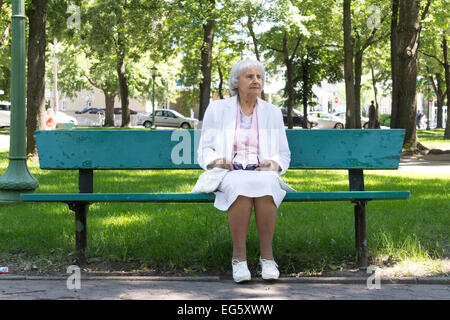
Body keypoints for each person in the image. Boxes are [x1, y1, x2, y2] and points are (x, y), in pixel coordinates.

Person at [197, 59, 291, 283]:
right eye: (249, 77)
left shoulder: (272, 112)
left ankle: (267, 258)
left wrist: (273, 164)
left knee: (268, 183)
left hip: (261, 172)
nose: (256, 80)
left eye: (259, 77)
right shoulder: (218, 109)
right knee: (240, 185)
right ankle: (239, 259)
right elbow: (204, 149)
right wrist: (217, 160)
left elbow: (283, 153)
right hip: (230, 172)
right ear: (236, 82)